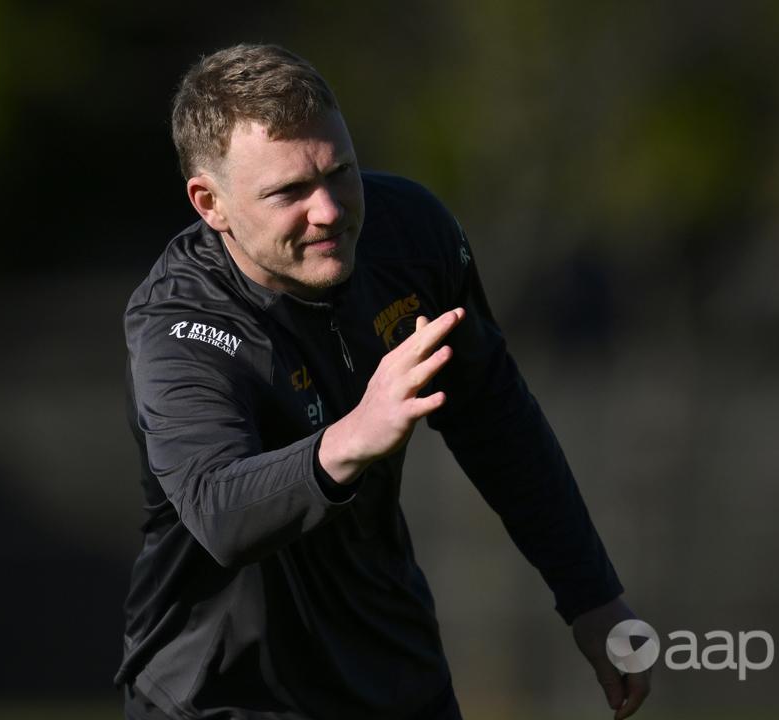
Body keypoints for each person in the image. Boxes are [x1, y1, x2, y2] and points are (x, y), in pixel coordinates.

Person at [115, 43, 651, 719]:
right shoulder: (180, 329)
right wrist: (349, 440)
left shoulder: (408, 236)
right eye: (288, 193)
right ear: (210, 203)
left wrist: (592, 597)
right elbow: (220, 512)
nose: (329, 210)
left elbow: (497, 422)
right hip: (228, 697)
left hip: (394, 676)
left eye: (340, 172)